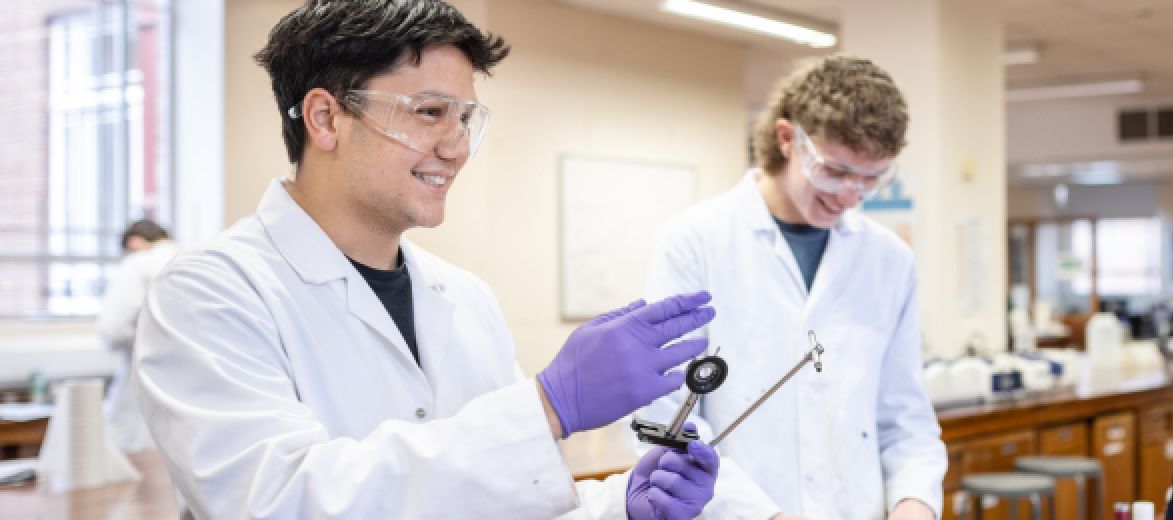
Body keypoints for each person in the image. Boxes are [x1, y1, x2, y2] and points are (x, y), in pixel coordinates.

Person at [134, 1, 717, 517]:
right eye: (430, 113)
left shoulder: (464, 297)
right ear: (325, 118)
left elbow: (496, 498)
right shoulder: (210, 293)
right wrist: (546, 406)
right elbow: (276, 502)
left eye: (465, 118)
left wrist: (620, 508)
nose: (457, 147)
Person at [638, 55, 946, 519]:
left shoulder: (889, 260)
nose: (848, 195)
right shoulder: (697, 242)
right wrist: (766, 515)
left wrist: (914, 503)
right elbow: (667, 416)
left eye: (870, 180)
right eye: (835, 171)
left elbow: (905, 419)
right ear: (787, 139)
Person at [96, 220, 178, 452]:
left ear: (134, 243)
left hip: (143, 385)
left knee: (136, 468)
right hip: (196, 392)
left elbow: (113, 329)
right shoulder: (201, 259)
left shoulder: (139, 264)